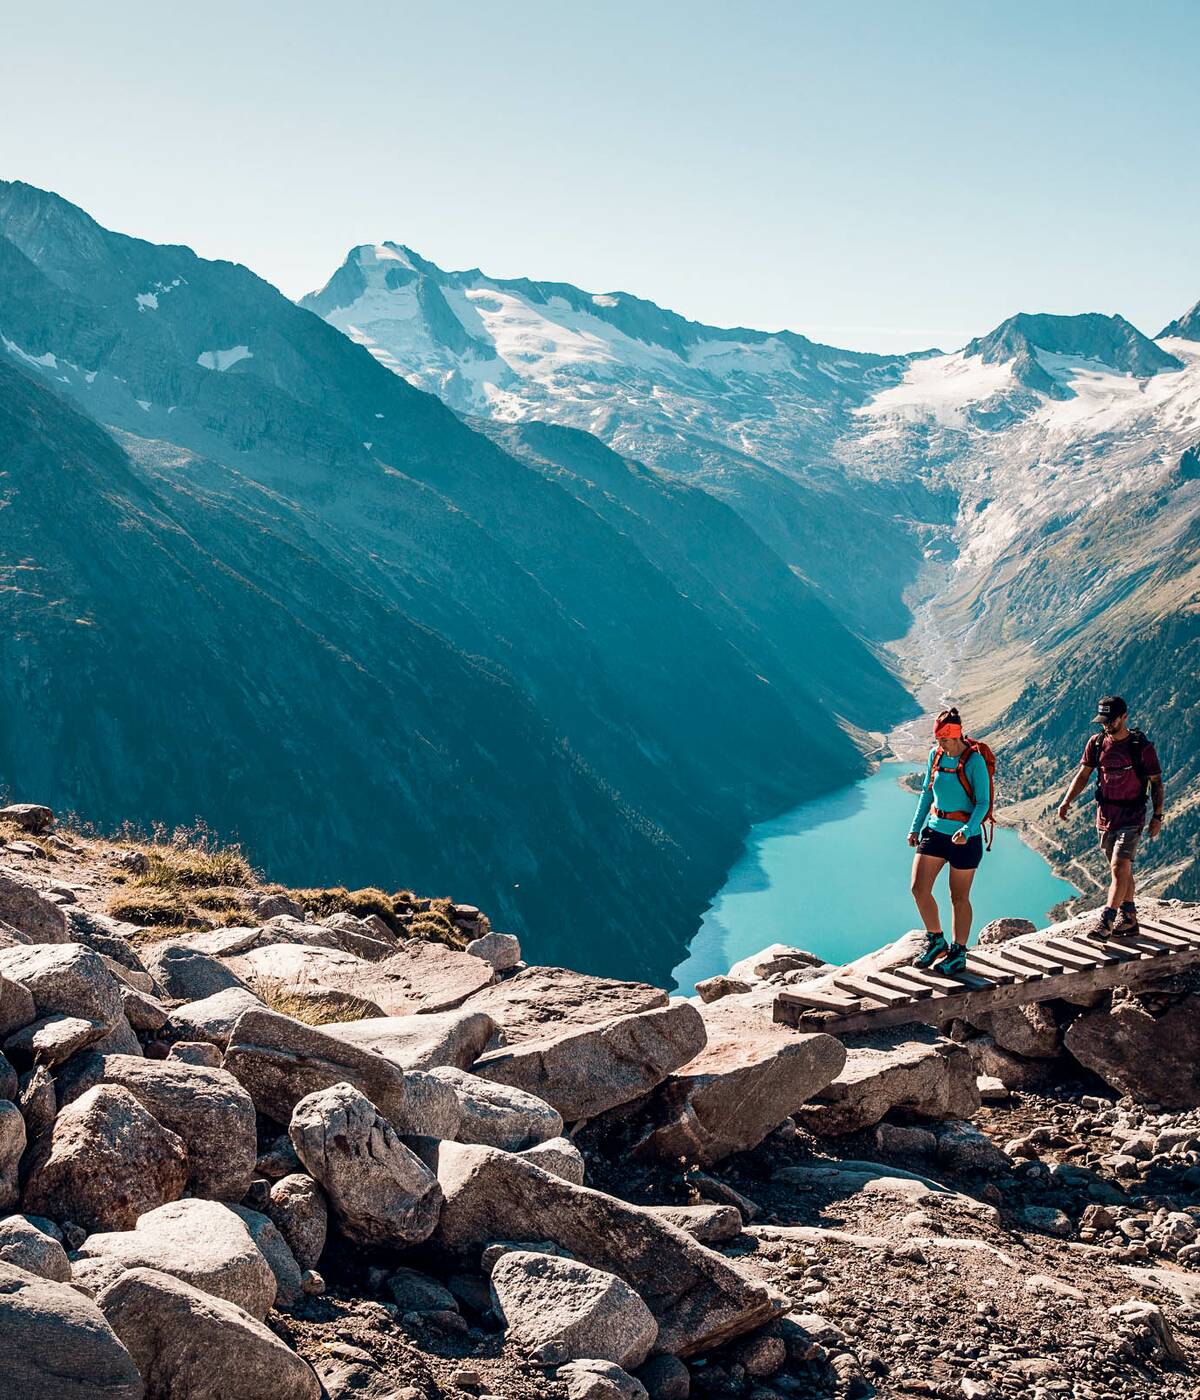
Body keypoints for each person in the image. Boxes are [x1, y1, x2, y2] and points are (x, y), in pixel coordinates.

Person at [1057, 695, 1164, 938]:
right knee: (1122, 871)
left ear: (1124, 717)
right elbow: (1083, 775)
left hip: (1132, 816)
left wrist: (1157, 816)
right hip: (1105, 818)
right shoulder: (1096, 743)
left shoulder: (1141, 748)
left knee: (1119, 866)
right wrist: (1066, 800)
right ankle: (1130, 918)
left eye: (1110, 720)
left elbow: (1157, 784)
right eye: (1102, 721)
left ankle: (1106, 921)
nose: (1106, 725)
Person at [907, 707, 991, 973]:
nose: (940, 744)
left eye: (944, 739)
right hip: (935, 831)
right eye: (938, 739)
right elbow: (926, 794)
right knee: (918, 888)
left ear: (957, 736)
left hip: (965, 839)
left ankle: (958, 952)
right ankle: (935, 940)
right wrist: (914, 828)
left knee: (958, 897)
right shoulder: (936, 756)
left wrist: (967, 830)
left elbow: (983, 803)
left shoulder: (975, 761)